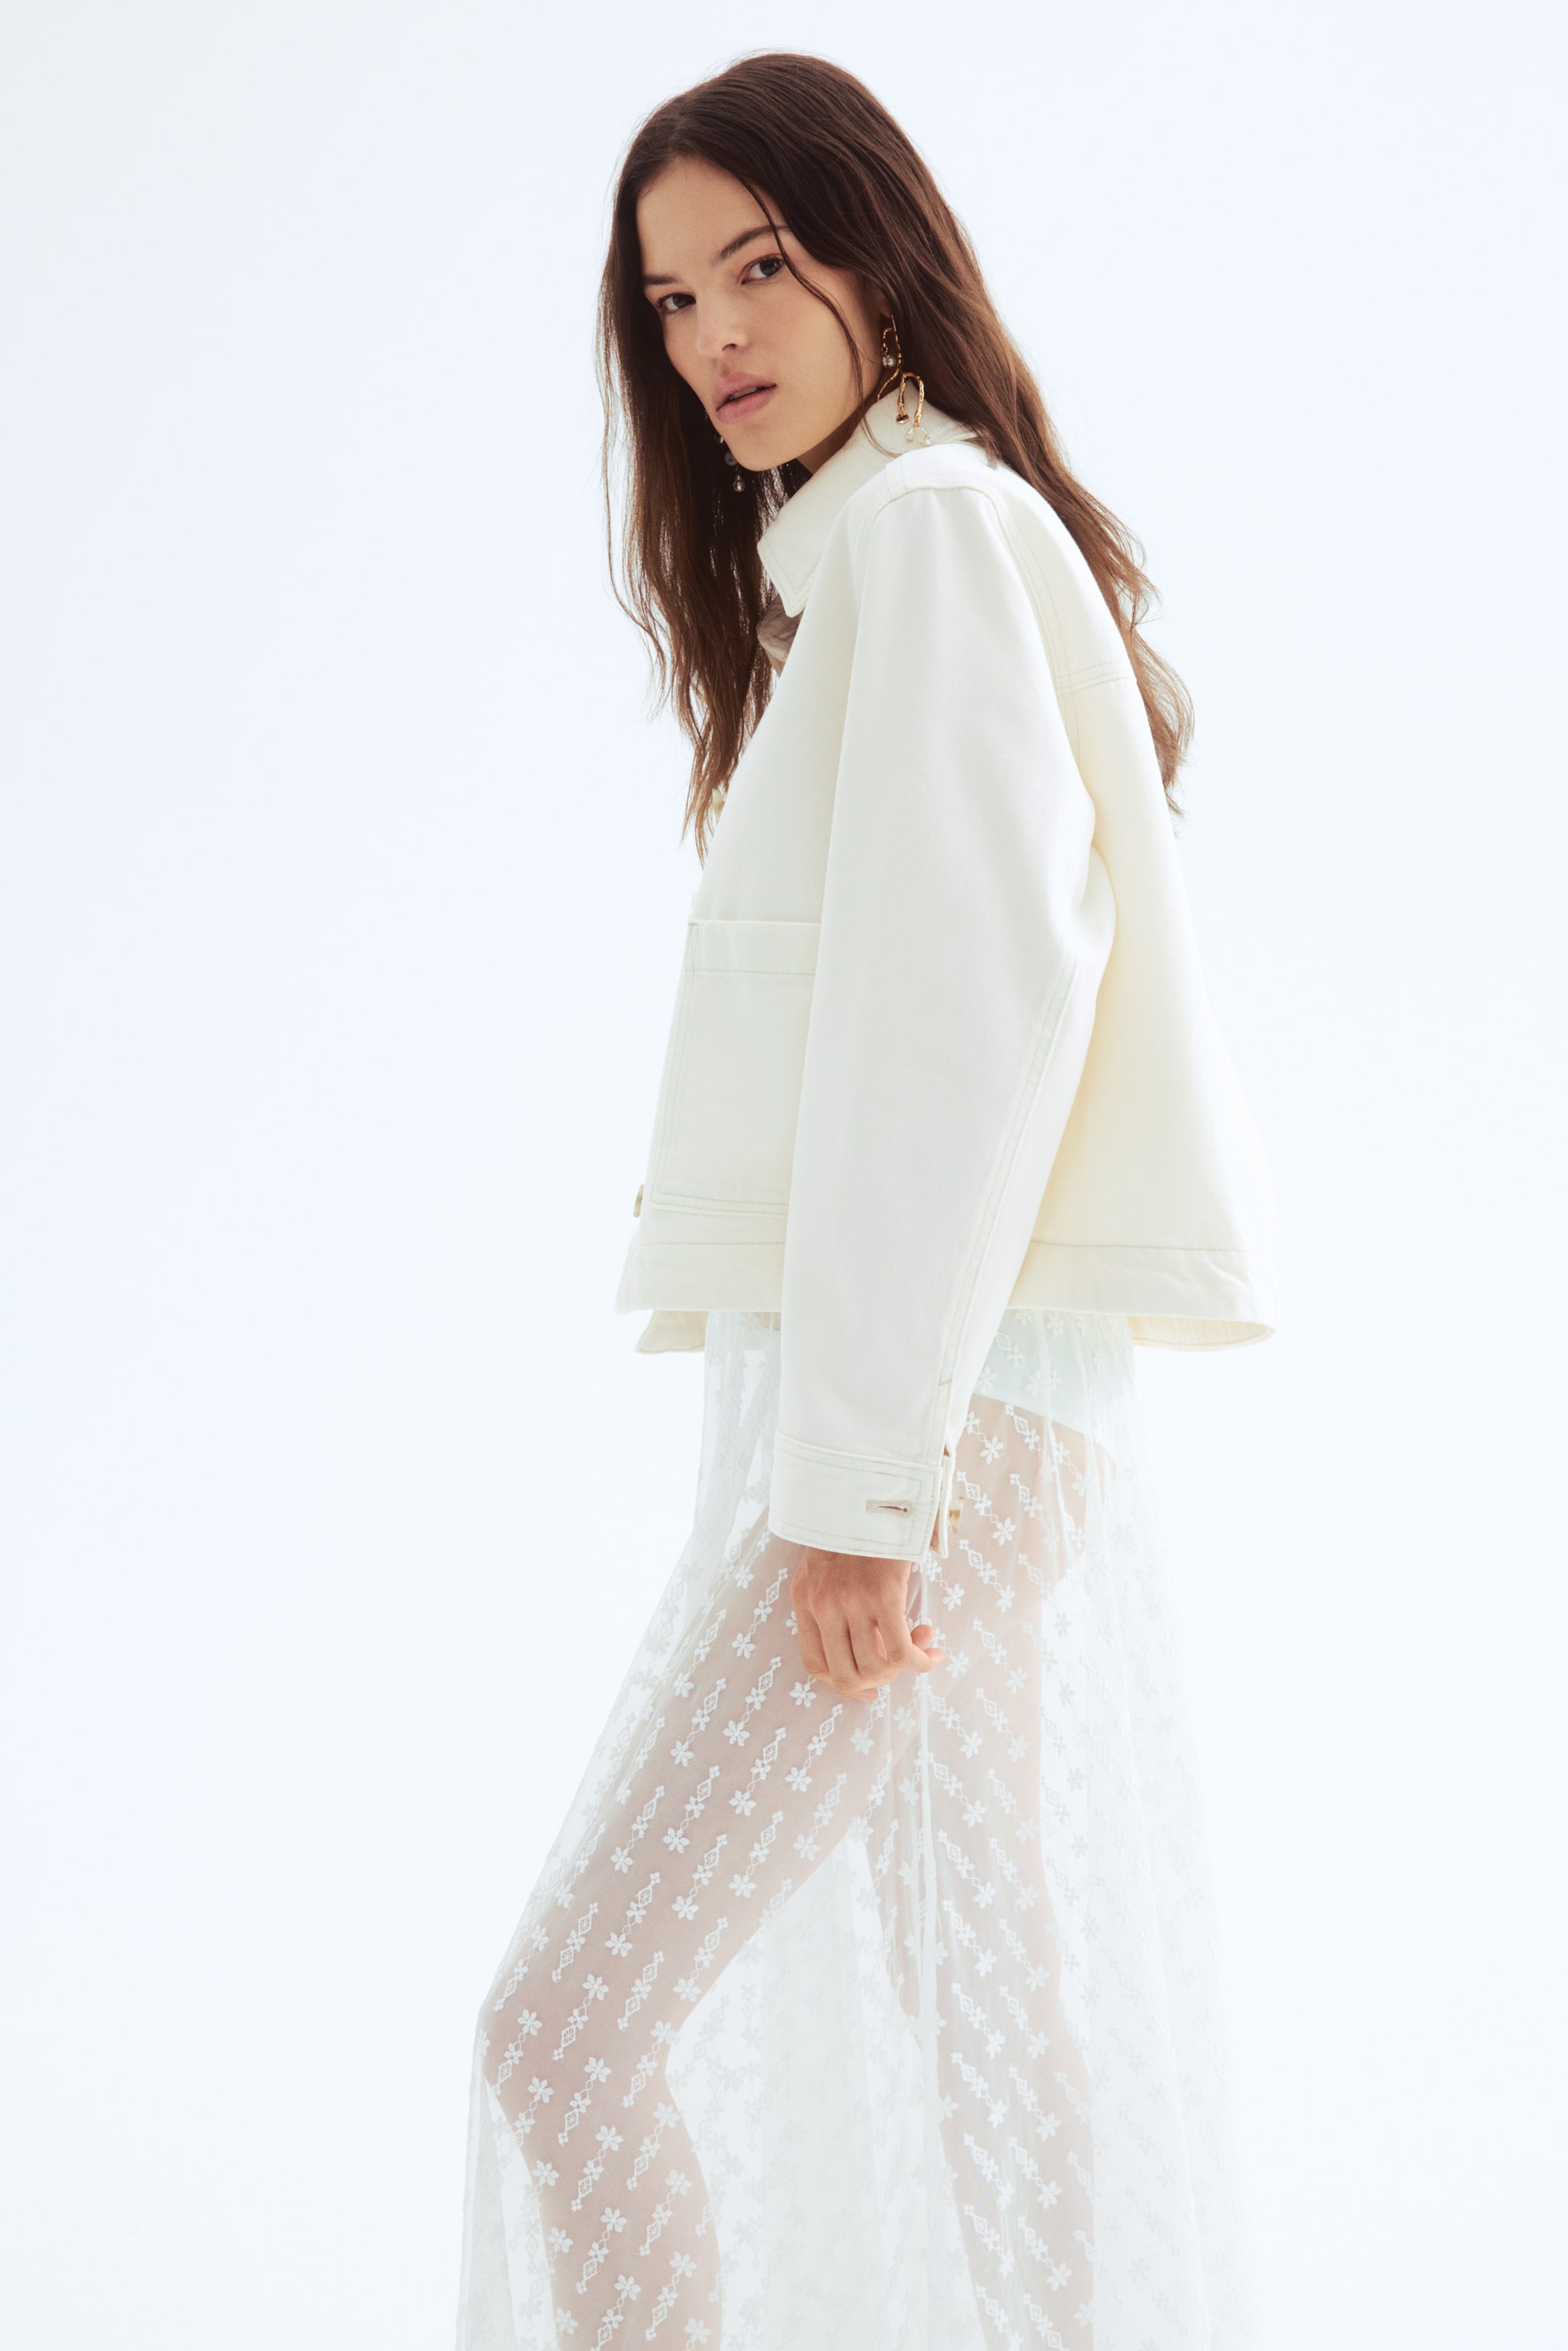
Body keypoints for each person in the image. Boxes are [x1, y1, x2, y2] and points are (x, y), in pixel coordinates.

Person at [457, 51, 1275, 2351]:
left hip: (935, 1429)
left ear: (880, 267)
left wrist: (860, 1487)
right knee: (980, 1989)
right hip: (977, 1418)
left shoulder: (921, 539)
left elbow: (957, 1027)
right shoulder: (904, 549)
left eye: (761, 266)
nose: (713, 334)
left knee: (565, 2021)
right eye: (669, 299)